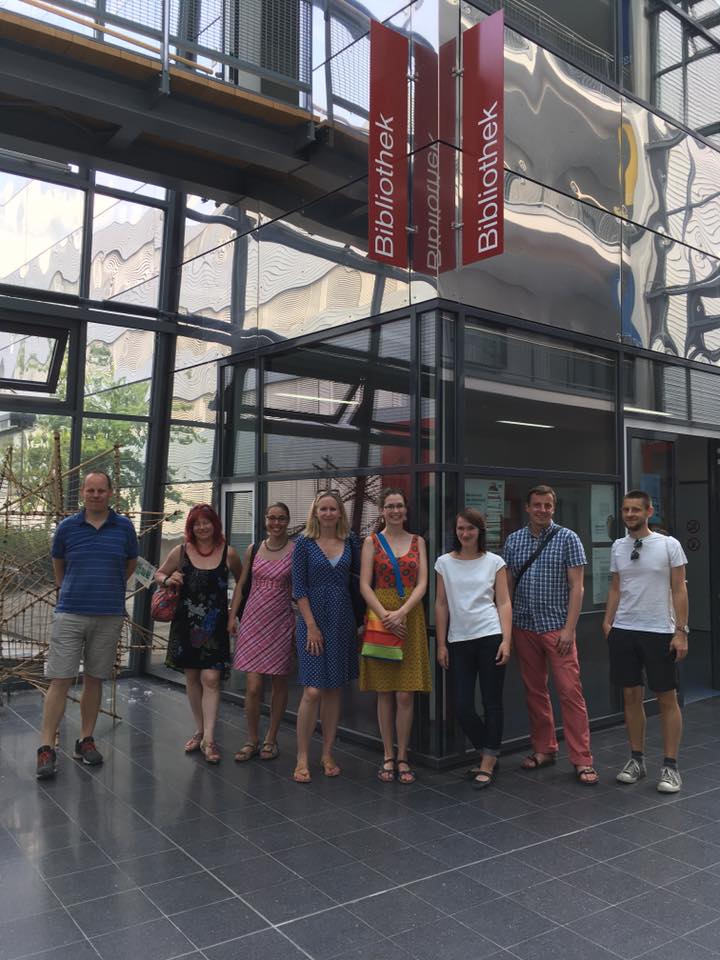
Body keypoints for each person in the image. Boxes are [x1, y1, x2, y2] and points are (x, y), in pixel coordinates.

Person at [36, 471, 138, 780]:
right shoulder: (67, 527)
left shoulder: (124, 527)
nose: (95, 495)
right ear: (82, 492)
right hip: (70, 614)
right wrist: (70, 589)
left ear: (111, 493)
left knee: (95, 678)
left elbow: (130, 563)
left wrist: (110, 586)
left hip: (108, 615)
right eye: (90, 490)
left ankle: (85, 740)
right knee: (60, 679)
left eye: (101, 490)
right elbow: (59, 565)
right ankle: (46, 748)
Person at [503, 485, 599, 785]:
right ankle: (544, 748)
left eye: (547, 505)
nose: (542, 510)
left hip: (557, 628)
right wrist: (507, 629)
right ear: (527, 507)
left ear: (553, 508)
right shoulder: (514, 541)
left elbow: (577, 587)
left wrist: (570, 629)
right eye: (537, 505)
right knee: (535, 691)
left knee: (570, 692)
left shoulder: (568, 538)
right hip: (524, 625)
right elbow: (507, 587)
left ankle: (582, 759)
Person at [603, 490, 689, 793]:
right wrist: (608, 621)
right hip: (625, 630)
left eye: (635, 510)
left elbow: (679, 589)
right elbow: (616, 587)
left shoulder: (668, 545)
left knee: (666, 697)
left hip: (659, 631)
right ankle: (636, 760)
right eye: (626, 510)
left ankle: (671, 766)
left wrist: (681, 631)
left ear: (649, 512)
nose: (630, 514)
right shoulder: (618, 546)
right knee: (630, 696)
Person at [155, 504, 242, 764]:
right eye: (197, 523)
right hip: (186, 624)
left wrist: (234, 614)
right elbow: (159, 573)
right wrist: (167, 580)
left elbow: (242, 583)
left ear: (215, 524)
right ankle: (200, 730)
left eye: (207, 522)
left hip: (215, 626)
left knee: (211, 678)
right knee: (192, 677)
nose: (202, 527)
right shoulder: (181, 551)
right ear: (191, 527)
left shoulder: (229, 553)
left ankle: (209, 740)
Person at [435, 509, 512, 789]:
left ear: (480, 531)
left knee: (492, 702)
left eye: (470, 528)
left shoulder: (495, 562)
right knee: (462, 706)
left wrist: (506, 640)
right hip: (459, 641)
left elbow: (503, 602)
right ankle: (487, 749)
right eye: (460, 528)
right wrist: (441, 643)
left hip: (490, 636)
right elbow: (441, 603)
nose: (465, 533)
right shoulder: (444, 563)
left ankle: (488, 761)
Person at [359, 488, 430, 785]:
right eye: (390, 506)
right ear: (382, 510)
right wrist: (386, 616)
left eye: (399, 505)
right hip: (381, 617)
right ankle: (388, 754)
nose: (395, 511)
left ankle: (403, 756)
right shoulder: (371, 542)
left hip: (410, 616)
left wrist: (401, 613)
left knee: (405, 693)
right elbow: (365, 585)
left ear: (406, 509)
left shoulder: (418, 541)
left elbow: (423, 583)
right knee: (385, 691)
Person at [291, 491, 361, 783]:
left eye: (333, 509)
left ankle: (328, 753)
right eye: (323, 509)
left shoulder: (351, 541)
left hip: (342, 619)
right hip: (312, 620)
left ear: (340, 513)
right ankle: (302, 756)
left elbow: (359, 582)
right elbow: (298, 588)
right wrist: (311, 626)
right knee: (312, 690)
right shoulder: (304, 544)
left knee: (333, 689)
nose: (329, 513)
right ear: (315, 513)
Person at [229, 502, 295, 763]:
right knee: (254, 686)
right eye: (272, 518)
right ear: (265, 520)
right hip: (253, 621)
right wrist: (232, 616)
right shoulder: (253, 549)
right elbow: (242, 584)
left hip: (281, 622)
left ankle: (271, 737)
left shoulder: (296, 550)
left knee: (279, 683)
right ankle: (252, 738)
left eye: (281, 518)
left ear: (288, 521)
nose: (276, 523)